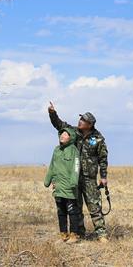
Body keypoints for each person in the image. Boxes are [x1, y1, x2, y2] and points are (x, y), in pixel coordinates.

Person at [47, 101, 109, 242]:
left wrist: (103, 176)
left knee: (94, 206)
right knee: (76, 207)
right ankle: (80, 233)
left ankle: (101, 234)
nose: (80, 121)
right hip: (72, 177)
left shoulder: (98, 139)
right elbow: (59, 124)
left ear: (90, 124)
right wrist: (52, 113)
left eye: (83, 120)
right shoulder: (73, 132)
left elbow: (103, 158)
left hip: (89, 178)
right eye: (80, 119)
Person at [43, 127, 83, 243]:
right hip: (58, 187)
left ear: (71, 138)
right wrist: (48, 180)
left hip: (70, 188)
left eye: (65, 135)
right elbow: (52, 166)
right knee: (61, 212)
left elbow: (76, 167)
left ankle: (74, 235)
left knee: (72, 211)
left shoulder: (73, 150)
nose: (62, 136)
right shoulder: (56, 150)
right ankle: (63, 234)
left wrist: (73, 182)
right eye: (61, 134)